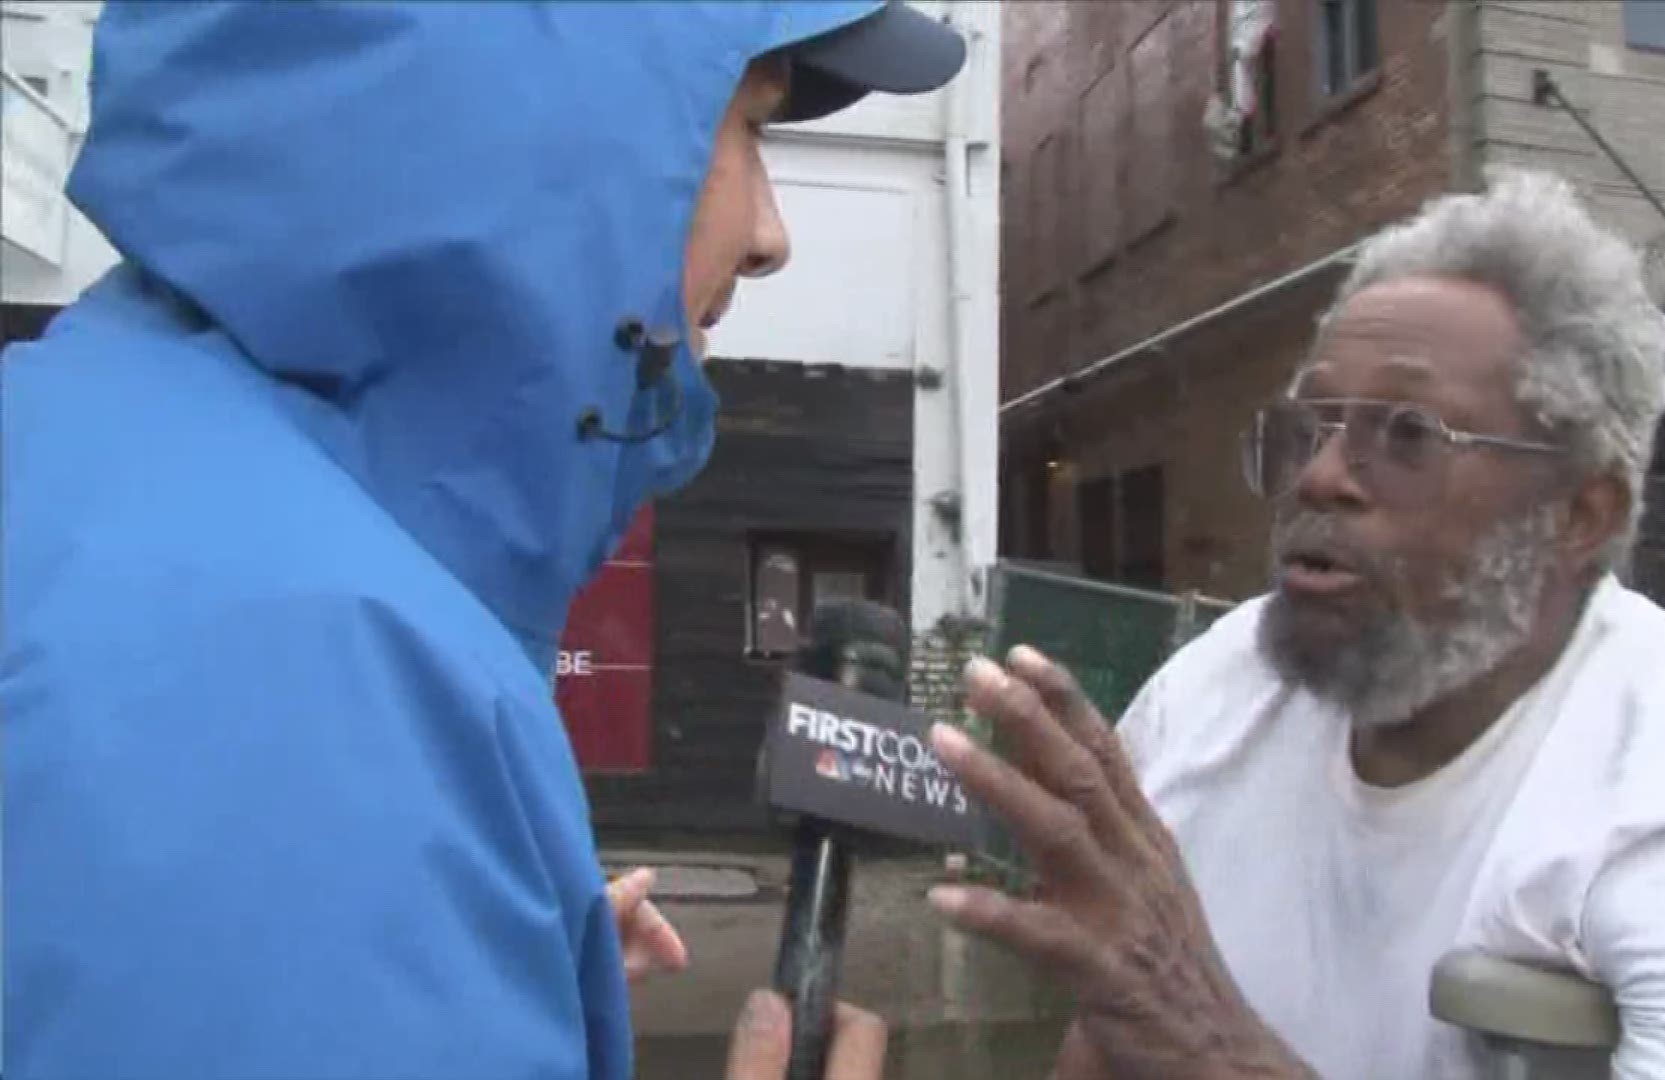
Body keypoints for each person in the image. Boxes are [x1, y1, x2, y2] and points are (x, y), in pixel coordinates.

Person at [1, 3, 960, 1078]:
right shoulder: (317, 697)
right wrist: (386, 883)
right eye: (745, 129)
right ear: (544, 137)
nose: (772, 233)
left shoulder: (116, 478)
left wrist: (449, 970)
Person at [925, 171, 1665, 1079]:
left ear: (1581, 513)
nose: (1320, 474)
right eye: (1314, 425)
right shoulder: (1209, 699)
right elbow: (1109, 1039)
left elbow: (1173, 1029)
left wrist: (1212, 1047)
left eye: (1407, 435)